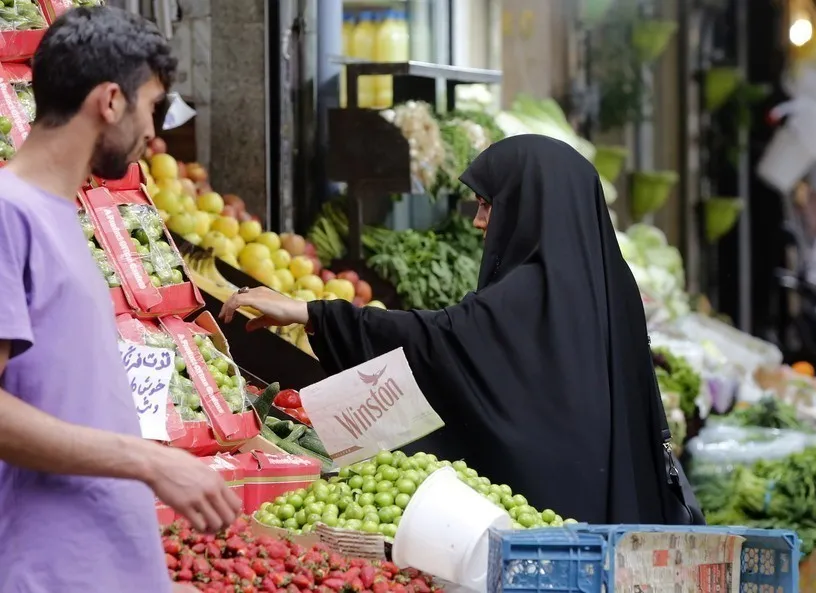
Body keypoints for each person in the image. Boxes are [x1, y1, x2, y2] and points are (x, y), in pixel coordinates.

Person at [220, 134, 692, 525]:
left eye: (489, 205)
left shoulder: (529, 292)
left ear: (530, 205)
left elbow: (442, 340)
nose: (479, 222)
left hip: (549, 522)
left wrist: (313, 315)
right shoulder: (611, 281)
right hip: (615, 507)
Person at [0, 7, 240, 593]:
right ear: (110, 100)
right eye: (151, 105)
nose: (153, 132)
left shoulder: (59, 217)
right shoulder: (10, 214)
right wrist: (150, 461)